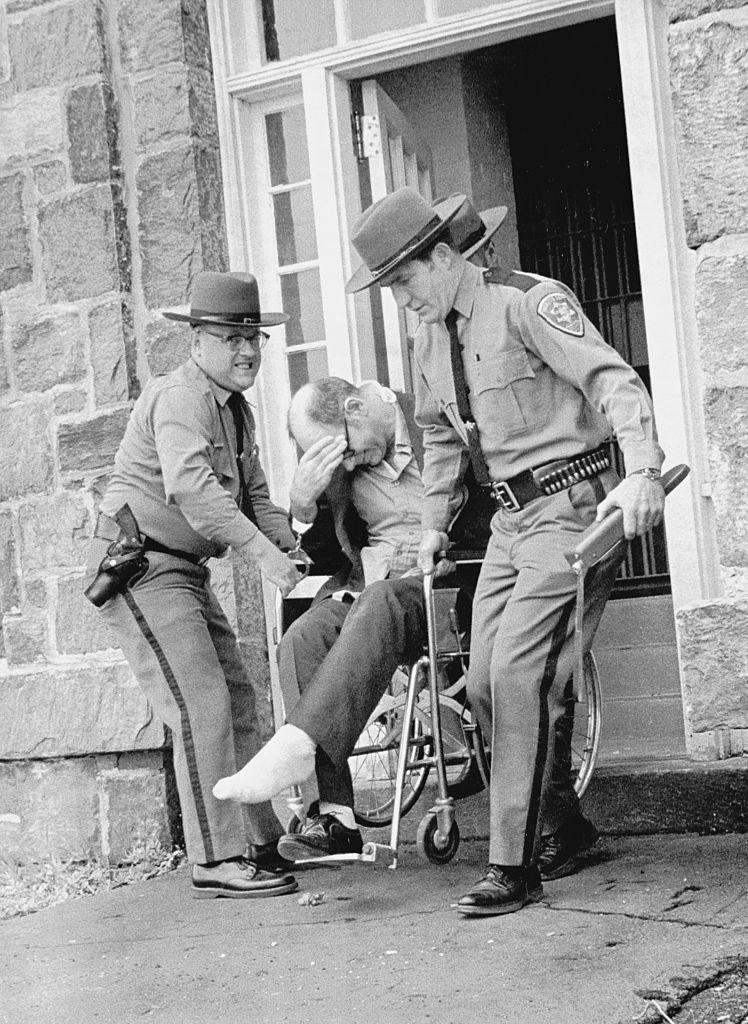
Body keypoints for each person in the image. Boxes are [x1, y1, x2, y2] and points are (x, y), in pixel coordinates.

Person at [345, 188, 665, 917]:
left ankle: (512, 867)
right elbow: (438, 438)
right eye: (390, 286)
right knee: (486, 681)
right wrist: (431, 523)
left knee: (519, 672)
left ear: (446, 256)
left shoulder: (527, 303)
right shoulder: (429, 340)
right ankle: (565, 828)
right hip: (510, 526)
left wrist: (643, 468)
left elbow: (612, 379)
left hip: (574, 506)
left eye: (404, 279)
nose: (400, 300)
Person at [84, 271, 301, 900]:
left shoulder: (235, 410)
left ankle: (259, 839)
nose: (247, 350)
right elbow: (192, 491)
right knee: (199, 703)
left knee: (236, 695)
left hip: (181, 568)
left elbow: (254, 494)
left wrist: (289, 543)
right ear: (197, 340)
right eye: (231, 337)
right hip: (141, 565)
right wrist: (264, 555)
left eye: (253, 336)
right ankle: (215, 856)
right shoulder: (180, 397)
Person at [213, 376, 450, 859]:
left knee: (380, 597)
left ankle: (297, 748)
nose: (342, 462)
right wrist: (302, 506)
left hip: (443, 588)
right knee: (302, 638)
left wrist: (440, 539)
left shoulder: (435, 423)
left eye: (341, 448)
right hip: (372, 599)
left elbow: (489, 509)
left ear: (356, 407)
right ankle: (334, 815)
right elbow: (321, 559)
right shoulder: (345, 465)